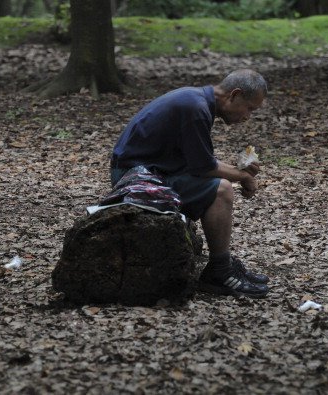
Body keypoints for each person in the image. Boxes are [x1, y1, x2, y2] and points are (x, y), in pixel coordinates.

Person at [110, 69, 270, 298]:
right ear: (234, 95)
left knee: (221, 182)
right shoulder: (195, 109)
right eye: (250, 108)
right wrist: (242, 176)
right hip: (133, 177)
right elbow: (203, 167)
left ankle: (222, 265)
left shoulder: (197, 101)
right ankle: (219, 272)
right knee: (221, 189)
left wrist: (239, 172)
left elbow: (199, 161)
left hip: (148, 169)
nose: (248, 116)